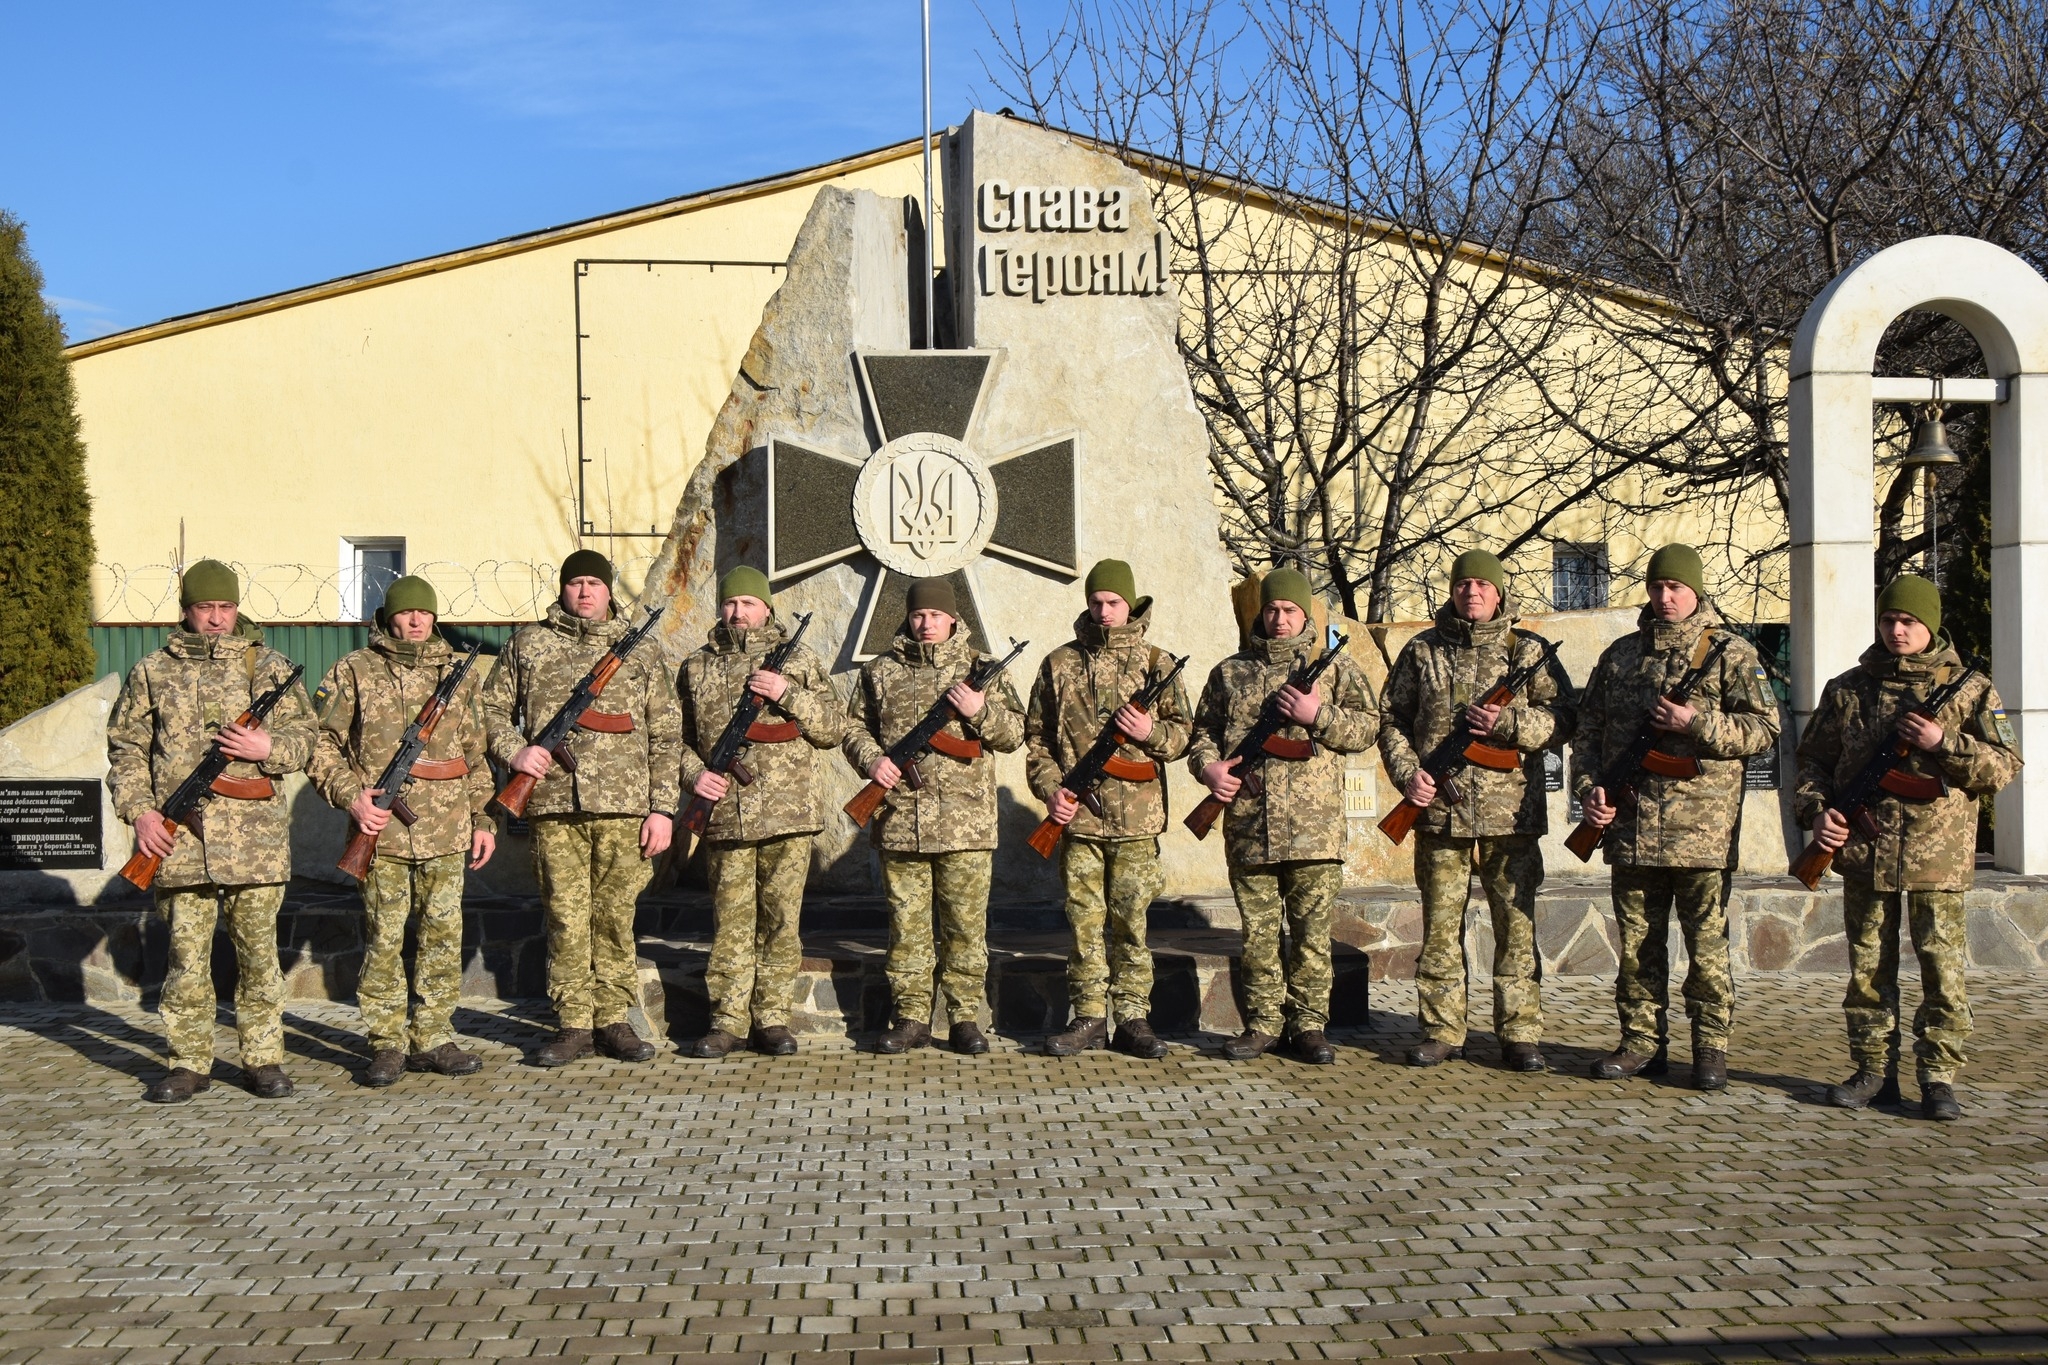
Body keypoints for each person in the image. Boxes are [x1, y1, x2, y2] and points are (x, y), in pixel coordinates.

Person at [1795, 574, 2020, 1121]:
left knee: (1942, 972)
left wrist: (1945, 743)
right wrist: (1817, 812)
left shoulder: (1970, 688)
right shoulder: (1847, 688)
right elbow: (1811, 765)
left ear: (1931, 626)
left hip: (1935, 861)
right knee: (1867, 971)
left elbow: (2004, 767)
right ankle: (1874, 1071)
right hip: (1865, 855)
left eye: (1909, 622)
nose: (1897, 630)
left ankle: (1938, 1076)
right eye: (1889, 620)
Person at [107, 559, 316, 1103]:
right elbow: (126, 749)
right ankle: (188, 1062)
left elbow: (306, 739)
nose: (218, 619)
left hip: (255, 842)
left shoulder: (268, 667)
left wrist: (268, 748)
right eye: (206, 608)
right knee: (184, 958)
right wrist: (142, 813)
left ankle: (265, 1060)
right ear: (186, 612)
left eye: (226, 608)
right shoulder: (153, 671)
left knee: (258, 957)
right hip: (177, 842)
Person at [1572, 543, 1779, 1091]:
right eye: (1658, 587)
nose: (1665, 598)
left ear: (1696, 591)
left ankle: (1710, 1047)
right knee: (1638, 943)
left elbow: (1764, 731)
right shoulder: (1620, 656)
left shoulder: (1731, 653)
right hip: (1631, 826)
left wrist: (1697, 722)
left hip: (1701, 832)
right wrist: (1590, 790)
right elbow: (1588, 734)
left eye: (1676, 588)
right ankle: (1641, 1043)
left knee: (1706, 944)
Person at [481, 550, 682, 1068]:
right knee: (567, 917)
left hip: (625, 809)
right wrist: (515, 749)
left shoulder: (640, 651)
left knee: (615, 917)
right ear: (564, 589)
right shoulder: (529, 644)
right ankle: (572, 1024)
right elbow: (490, 710)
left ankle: (613, 1020)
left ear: (610, 590)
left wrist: (662, 809)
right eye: (576, 583)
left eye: (595, 582)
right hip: (552, 806)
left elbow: (666, 733)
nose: (586, 592)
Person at [1378, 550, 1575, 1071]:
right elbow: (1391, 719)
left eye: (1482, 586)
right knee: (1441, 929)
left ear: (1498, 591)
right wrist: (1409, 774)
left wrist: (1508, 726)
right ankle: (1442, 1030)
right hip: (1441, 814)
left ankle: (1520, 1033)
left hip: (1512, 817)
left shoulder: (1527, 652)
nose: (1472, 593)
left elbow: (1564, 721)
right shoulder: (1422, 651)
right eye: (1463, 585)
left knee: (1517, 927)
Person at [308, 576, 495, 1087]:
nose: (416, 621)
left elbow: (476, 755)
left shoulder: (459, 673)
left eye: (424, 613)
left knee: (441, 935)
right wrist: (351, 794)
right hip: (382, 829)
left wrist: (483, 819)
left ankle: (433, 1037)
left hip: (448, 828)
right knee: (384, 938)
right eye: (406, 612)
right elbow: (320, 743)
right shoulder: (355, 670)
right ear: (388, 616)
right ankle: (387, 1043)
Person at [1187, 569, 1378, 1063]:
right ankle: (1264, 1024)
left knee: (1313, 936)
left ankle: (1310, 1026)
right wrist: (1209, 770)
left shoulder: (1334, 669)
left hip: (1315, 831)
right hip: (1250, 825)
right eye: (1271, 609)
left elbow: (1368, 728)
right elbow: (1201, 732)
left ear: (1305, 614)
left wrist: (1320, 717)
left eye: (1290, 610)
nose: (1279, 618)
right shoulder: (1230, 672)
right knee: (1259, 935)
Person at [843, 577, 1025, 1055]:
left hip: (966, 825)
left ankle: (965, 1017)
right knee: (907, 928)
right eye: (918, 615)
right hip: (901, 819)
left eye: (935, 615)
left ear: (952, 618)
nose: (926, 624)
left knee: (965, 927)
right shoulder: (881, 671)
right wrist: (872, 760)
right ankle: (910, 1017)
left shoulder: (981, 670)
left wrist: (980, 711)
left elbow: (1014, 734)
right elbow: (852, 727)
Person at [1025, 559, 1194, 1058]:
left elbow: (1184, 734)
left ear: (1131, 604)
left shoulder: (1156, 663)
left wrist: (1150, 734)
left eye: (1113, 603)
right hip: (1077, 820)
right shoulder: (1059, 664)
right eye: (1096, 602)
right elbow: (1036, 741)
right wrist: (1051, 789)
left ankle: (1135, 1018)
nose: (1103, 611)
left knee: (1132, 921)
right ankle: (1089, 1016)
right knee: (1083, 921)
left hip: (1138, 821)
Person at [677, 567, 845, 1059]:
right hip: (726, 814)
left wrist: (786, 693)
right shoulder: (696, 666)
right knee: (730, 923)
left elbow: (833, 727)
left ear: (766, 608)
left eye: (749, 604)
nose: (738, 612)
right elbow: (674, 738)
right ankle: (727, 1020)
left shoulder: (801, 661)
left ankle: (772, 1019)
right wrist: (694, 776)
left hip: (789, 815)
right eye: (731, 604)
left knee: (779, 922)